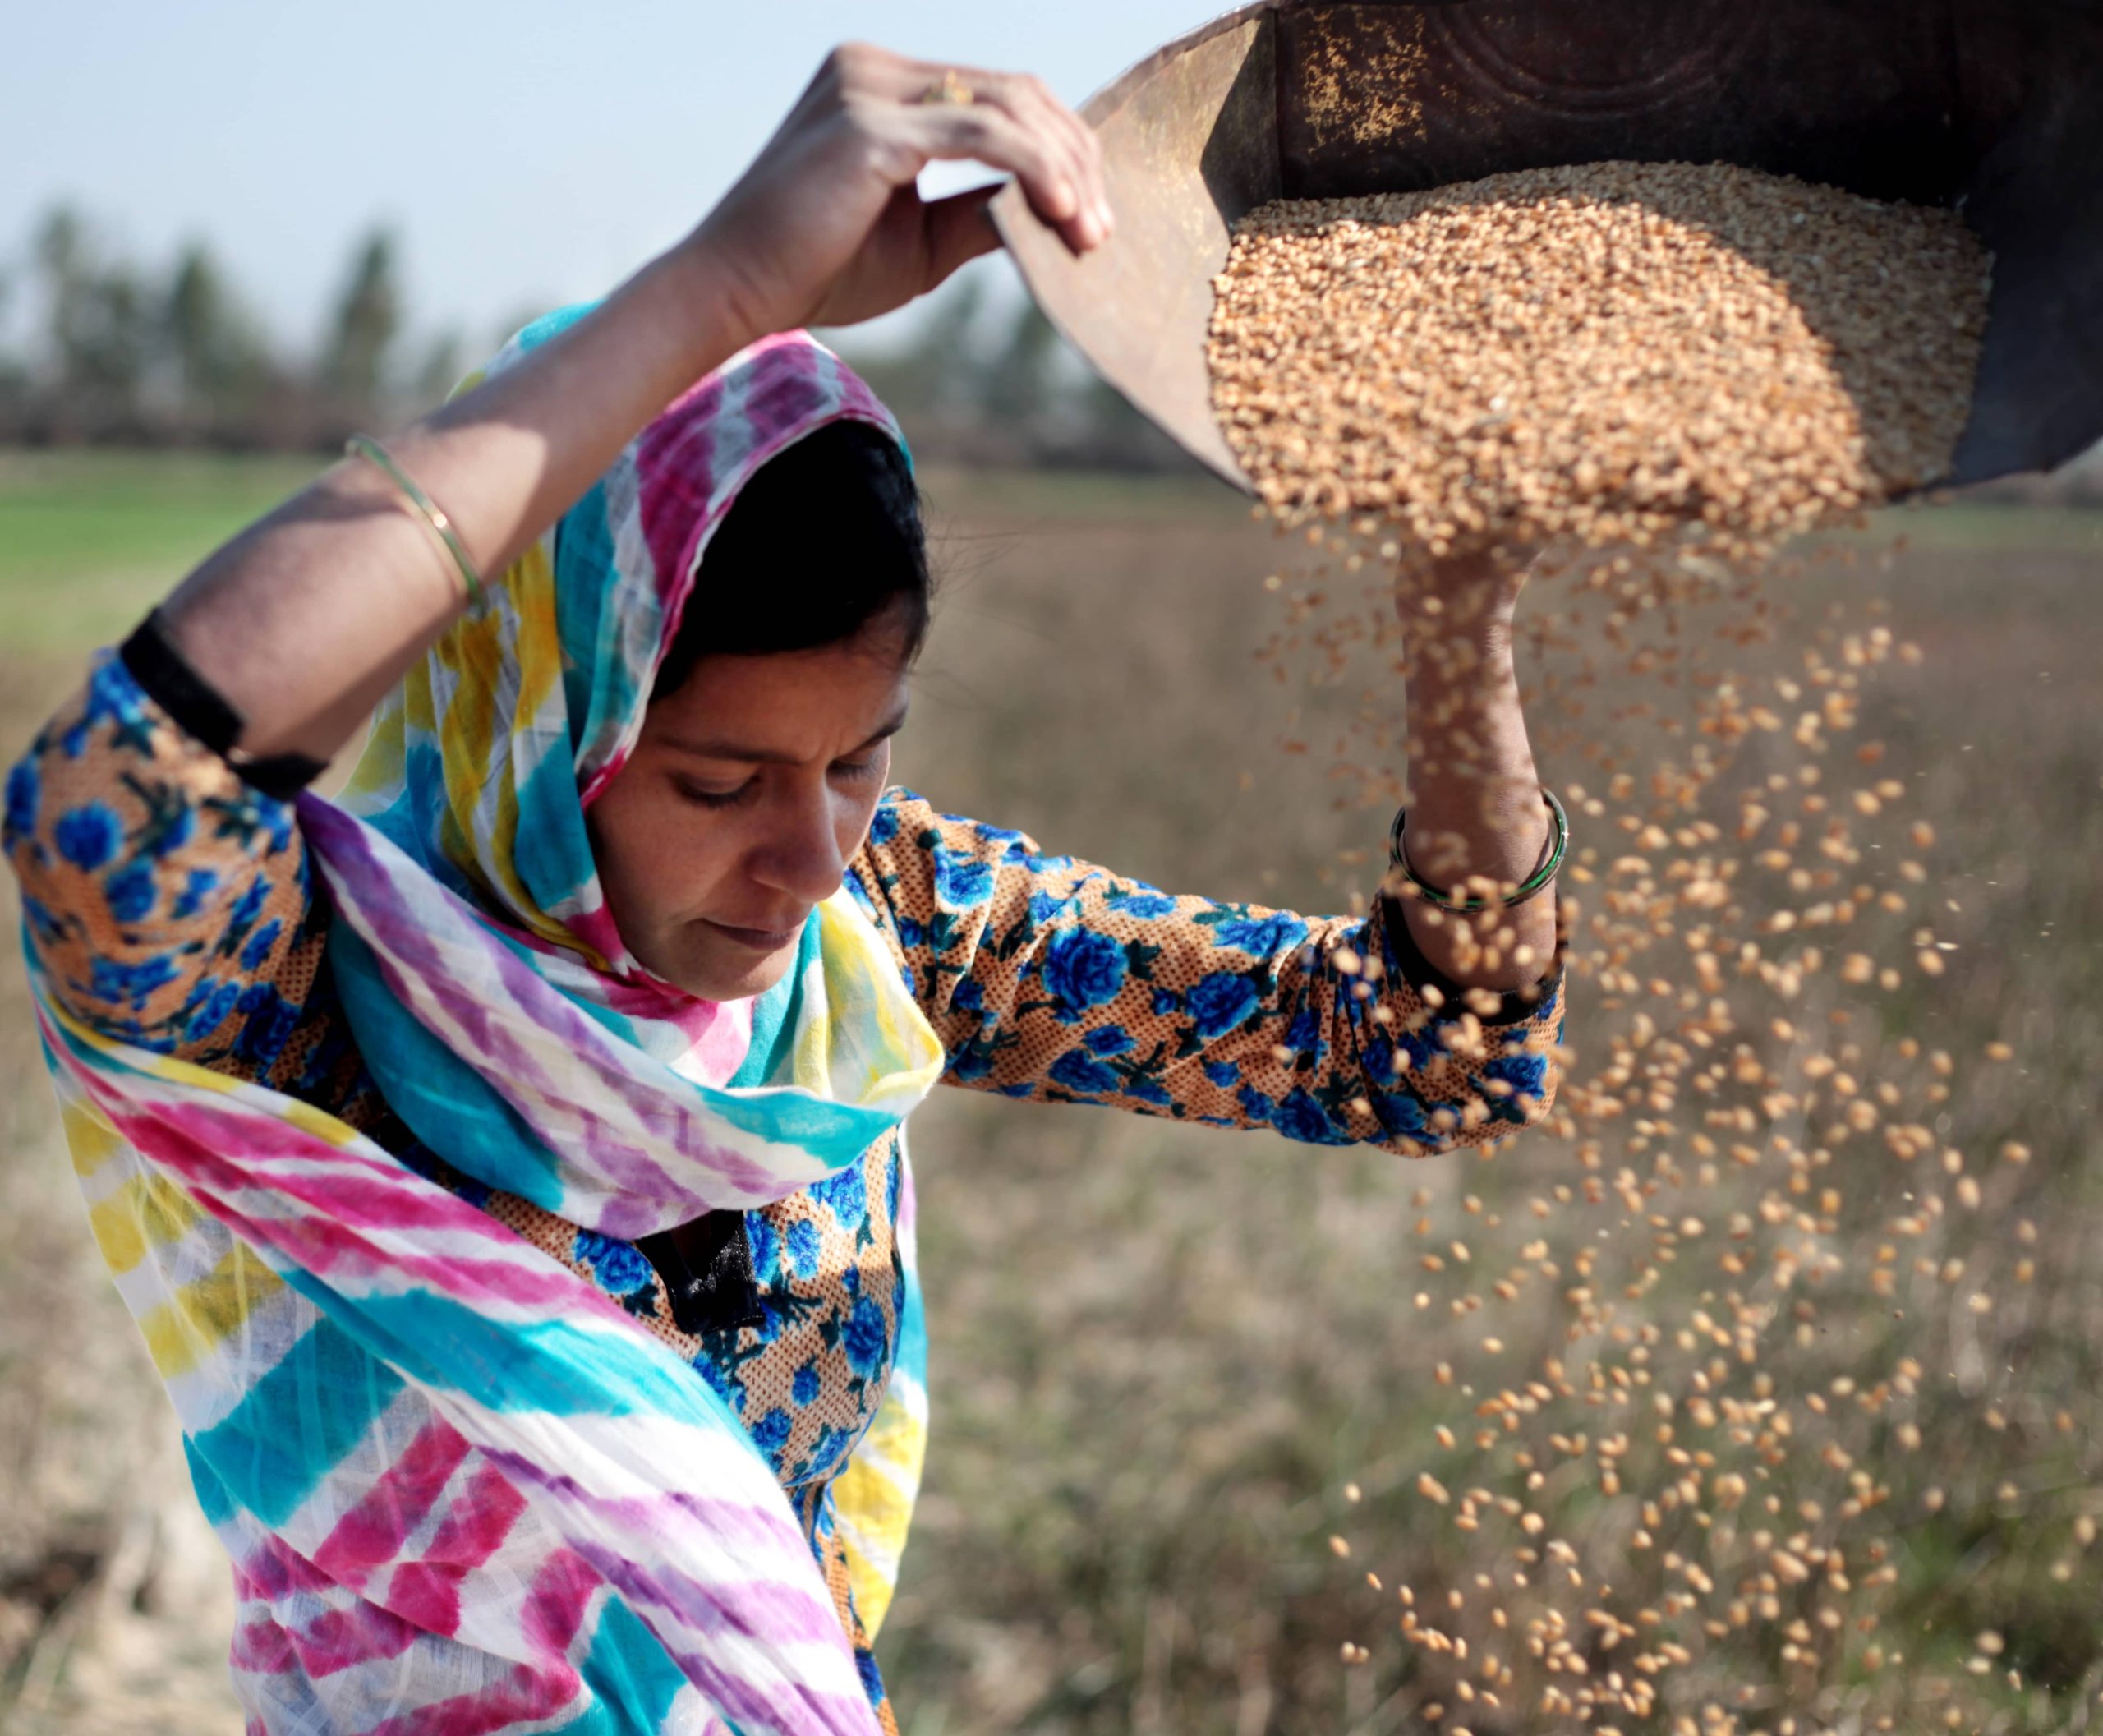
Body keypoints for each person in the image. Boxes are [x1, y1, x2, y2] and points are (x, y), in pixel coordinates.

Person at [3, 44, 1567, 1736]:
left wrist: (1457, 620)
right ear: (543, 731)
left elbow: (1425, 1053)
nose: (807, 854)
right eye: (716, 781)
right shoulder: (318, 995)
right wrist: (719, 289)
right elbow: (116, 795)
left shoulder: (870, 933)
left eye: (857, 760)